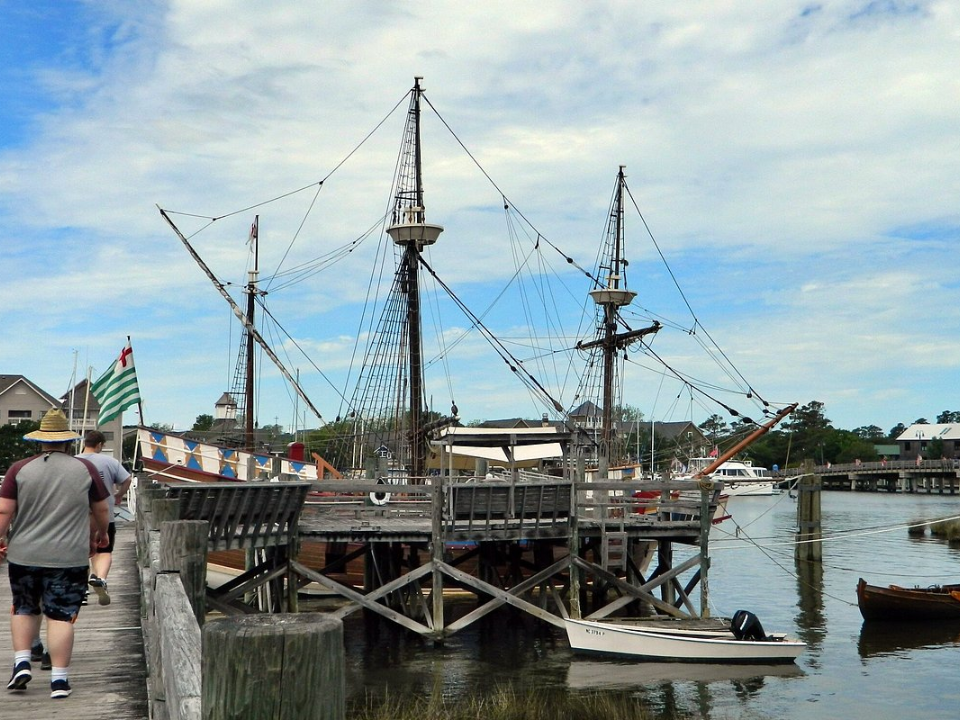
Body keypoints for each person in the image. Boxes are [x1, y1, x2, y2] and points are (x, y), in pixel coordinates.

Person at [0, 409, 110, 700]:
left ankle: (22, 662)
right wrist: (101, 534)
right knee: (60, 616)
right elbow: (100, 508)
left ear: (40, 440)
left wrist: (0, 537)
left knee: (24, 607)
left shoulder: (18, 469)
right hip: (69, 557)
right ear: (68, 441)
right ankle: (59, 681)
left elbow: (4, 510)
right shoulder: (85, 469)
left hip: (24, 554)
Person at [75, 429, 132, 606]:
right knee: (104, 551)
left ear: (85, 443)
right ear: (99, 445)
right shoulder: (110, 462)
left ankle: (82, 590)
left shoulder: (73, 462)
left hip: (77, 516)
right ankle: (100, 578)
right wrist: (119, 494)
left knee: (80, 553)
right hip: (104, 515)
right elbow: (127, 479)